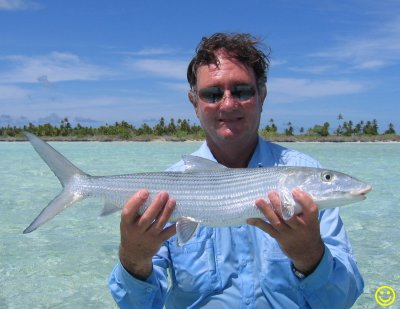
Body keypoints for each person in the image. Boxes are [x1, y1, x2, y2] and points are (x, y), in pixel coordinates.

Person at [109, 32, 364, 308]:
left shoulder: (306, 170)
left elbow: (344, 299)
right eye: (212, 94)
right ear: (195, 103)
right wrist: (134, 259)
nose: (228, 104)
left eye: (242, 91)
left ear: (261, 95)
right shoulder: (170, 186)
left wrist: (310, 257)